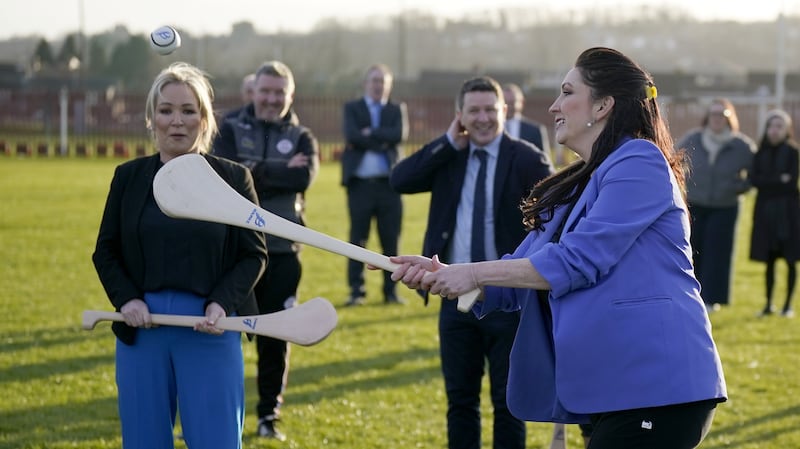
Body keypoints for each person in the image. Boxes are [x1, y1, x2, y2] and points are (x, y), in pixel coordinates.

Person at [389, 47, 727, 449]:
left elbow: (575, 262)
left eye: (567, 92)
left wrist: (474, 273)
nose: (553, 107)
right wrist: (440, 274)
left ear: (602, 105)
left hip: (658, 384)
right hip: (611, 386)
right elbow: (521, 269)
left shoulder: (639, 161)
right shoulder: (581, 181)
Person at [92, 62, 268, 449]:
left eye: (189, 111)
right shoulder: (129, 177)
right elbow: (106, 251)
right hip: (143, 330)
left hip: (211, 328)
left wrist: (223, 303)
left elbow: (252, 254)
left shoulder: (234, 179)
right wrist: (127, 299)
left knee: (216, 439)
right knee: (144, 440)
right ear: (151, 118)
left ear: (205, 120)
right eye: (166, 110)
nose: (177, 121)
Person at [389, 75, 554, 449]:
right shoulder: (451, 155)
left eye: (490, 110)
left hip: (508, 298)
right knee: (460, 402)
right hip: (452, 295)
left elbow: (553, 223)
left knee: (507, 403)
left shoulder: (526, 158)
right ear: (459, 114)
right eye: (473, 111)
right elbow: (399, 179)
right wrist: (448, 142)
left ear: (505, 112)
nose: (482, 119)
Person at [213, 60, 320, 441]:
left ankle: (267, 417)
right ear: (253, 91)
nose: (272, 99)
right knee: (219, 333)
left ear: (290, 96)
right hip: (231, 253)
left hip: (282, 253)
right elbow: (224, 173)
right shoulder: (227, 127)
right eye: (266, 91)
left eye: (280, 92)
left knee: (276, 338)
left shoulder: (304, 137)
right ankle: (218, 416)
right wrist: (276, 170)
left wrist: (252, 170)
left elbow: (302, 176)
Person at [678, 98, 755, 311]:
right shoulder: (693, 138)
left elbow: (756, 172)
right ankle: (691, 294)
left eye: (723, 115)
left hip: (725, 205)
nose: (718, 119)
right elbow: (673, 160)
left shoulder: (741, 145)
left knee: (718, 252)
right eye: (714, 114)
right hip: (696, 203)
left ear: (730, 118)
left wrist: (738, 187)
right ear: (707, 117)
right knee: (693, 250)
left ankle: (713, 299)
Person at [341, 63, 408, 306]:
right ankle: (356, 292)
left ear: (389, 85)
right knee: (357, 239)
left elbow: (399, 135)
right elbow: (351, 135)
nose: (378, 85)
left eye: (383, 81)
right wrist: (382, 139)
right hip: (360, 185)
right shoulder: (352, 108)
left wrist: (371, 133)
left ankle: (390, 292)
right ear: (366, 84)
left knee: (391, 240)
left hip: (389, 186)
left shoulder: (397, 109)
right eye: (374, 80)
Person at [749, 109, 800, 318]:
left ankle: (788, 305)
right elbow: (755, 180)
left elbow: (791, 184)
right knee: (769, 259)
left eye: (780, 126)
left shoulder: (792, 152)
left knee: (790, 259)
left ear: (787, 129)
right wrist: (779, 179)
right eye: (772, 126)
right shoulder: (760, 152)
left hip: (788, 213)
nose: (775, 130)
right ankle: (768, 304)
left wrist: (770, 182)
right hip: (765, 212)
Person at [503, 82, 551, 156]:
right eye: (505, 102)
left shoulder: (535, 130)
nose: (508, 106)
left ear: (521, 103)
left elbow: (545, 160)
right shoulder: (491, 129)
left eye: (512, 102)